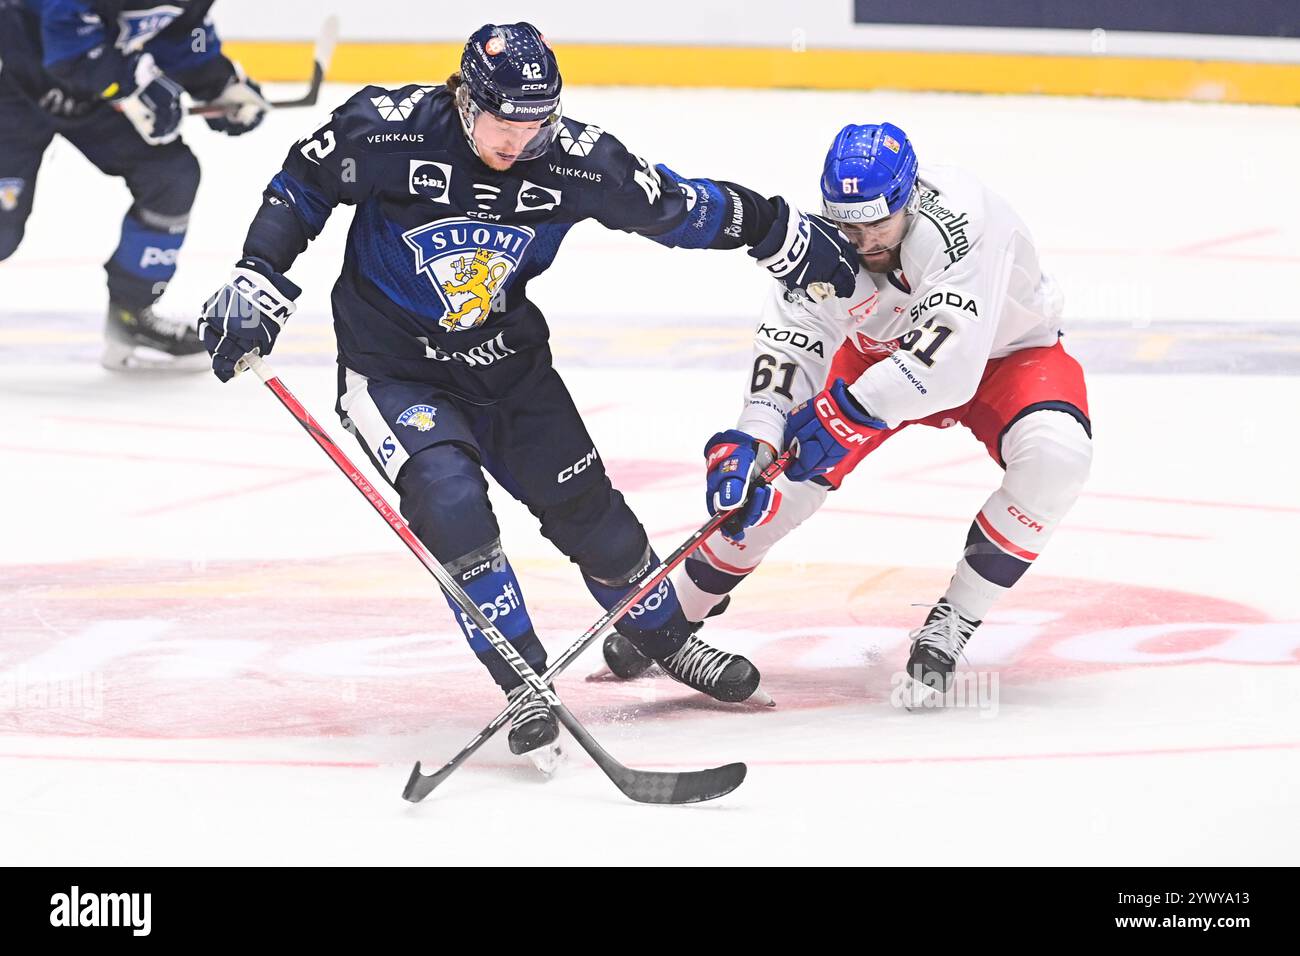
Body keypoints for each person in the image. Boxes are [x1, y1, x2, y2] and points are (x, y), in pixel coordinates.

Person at [197, 22, 860, 760]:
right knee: (449, 503)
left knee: (593, 520)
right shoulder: (387, 131)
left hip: (510, 368)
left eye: (535, 123)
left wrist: (775, 230)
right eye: (503, 122)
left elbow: (676, 207)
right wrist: (258, 275)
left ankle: (665, 639)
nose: (519, 141)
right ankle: (522, 679)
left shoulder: (580, 163)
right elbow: (301, 185)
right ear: (463, 98)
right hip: (393, 372)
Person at [603, 121, 1092, 704]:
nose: (861, 241)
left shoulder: (965, 219)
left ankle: (956, 619)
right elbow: (788, 350)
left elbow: (951, 364)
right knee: (769, 492)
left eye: (876, 224)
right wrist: (755, 436)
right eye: (846, 223)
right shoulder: (821, 245)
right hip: (869, 361)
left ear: (910, 198)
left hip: (1004, 355)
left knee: (1057, 456)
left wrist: (846, 414)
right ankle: (671, 614)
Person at [0, 0, 267, 370]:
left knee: (169, 175)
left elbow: (182, 36)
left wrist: (219, 86)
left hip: (91, 96)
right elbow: (67, 44)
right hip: (12, 86)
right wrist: (135, 83)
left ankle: (131, 317)